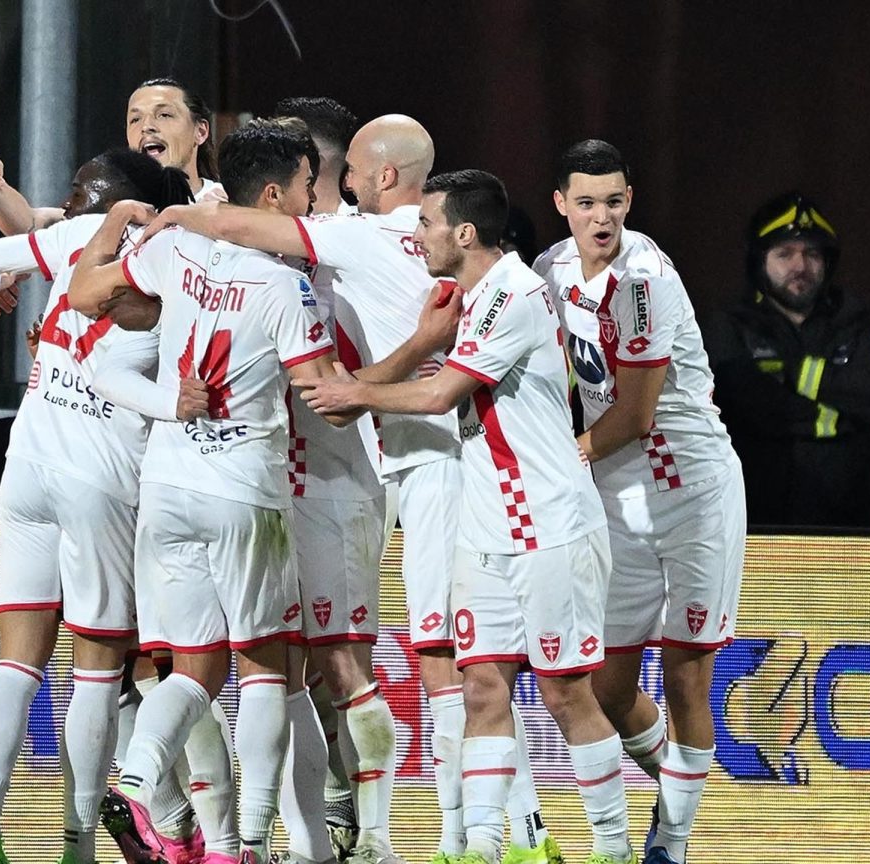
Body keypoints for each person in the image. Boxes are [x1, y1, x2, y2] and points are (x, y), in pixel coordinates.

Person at [139, 116, 557, 864]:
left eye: (352, 173)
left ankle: (469, 839)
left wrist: (168, 215)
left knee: (444, 660)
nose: (342, 187)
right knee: (437, 659)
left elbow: (236, 222)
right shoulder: (425, 243)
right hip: (406, 464)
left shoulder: (357, 238)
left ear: (385, 176)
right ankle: (451, 835)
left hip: (416, 464)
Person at [294, 169, 634, 864]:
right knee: (481, 687)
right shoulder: (468, 298)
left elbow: (440, 395)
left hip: (549, 522)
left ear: (466, 233)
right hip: (487, 525)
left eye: (426, 224)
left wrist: (354, 393)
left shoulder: (514, 293)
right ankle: (481, 846)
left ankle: (613, 848)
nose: (417, 236)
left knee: (566, 693)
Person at [67, 118, 338, 864]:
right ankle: (249, 841)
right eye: (306, 187)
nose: (312, 202)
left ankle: (138, 775)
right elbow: (324, 394)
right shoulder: (285, 284)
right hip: (244, 488)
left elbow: (86, 294)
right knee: (264, 664)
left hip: (167, 486)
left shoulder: (175, 249)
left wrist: (123, 230)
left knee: (193, 671)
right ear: (272, 195)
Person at [0, 149, 195, 864]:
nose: (67, 201)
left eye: (79, 190)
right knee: (96, 672)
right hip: (103, 477)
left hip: (28, 467)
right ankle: (78, 843)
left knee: (15, 665)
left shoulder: (72, 237)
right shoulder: (170, 261)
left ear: (113, 198)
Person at [533, 139, 744, 864]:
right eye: (587, 203)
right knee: (609, 689)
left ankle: (671, 846)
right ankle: (676, 791)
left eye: (614, 202)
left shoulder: (646, 280)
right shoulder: (550, 270)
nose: (602, 218)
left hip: (692, 493)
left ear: (631, 201)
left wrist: (558, 458)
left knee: (686, 677)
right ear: (561, 204)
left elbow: (635, 415)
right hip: (616, 496)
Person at [275, 96, 404, 864]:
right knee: (281, 668)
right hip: (271, 491)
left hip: (339, 484)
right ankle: (305, 831)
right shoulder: (273, 248)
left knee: (339, 663)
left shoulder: (357, 245)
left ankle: (374, 835)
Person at [705, 193, 870, 527]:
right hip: (753, 524)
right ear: (760, 261)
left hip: (845, 527)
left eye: (812, 254)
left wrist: (790, 375)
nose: (800, 266)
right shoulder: (729, 325)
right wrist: (838, 415)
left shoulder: (853, 319)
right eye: (785, 254)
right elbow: (746, 406)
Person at [0, 77, 222, 236]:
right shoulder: (106, 207)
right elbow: (30, 223)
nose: (147, 127)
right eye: (135, 119)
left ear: (200, 131)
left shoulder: (226, 203)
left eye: (164, 115)